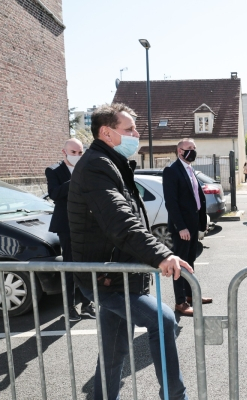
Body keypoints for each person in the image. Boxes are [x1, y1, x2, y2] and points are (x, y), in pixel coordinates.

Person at [68, 103, 192, 400]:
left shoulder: (111, 163)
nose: (136, 134)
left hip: (116, 275)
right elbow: (120, 220)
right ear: (107, 133)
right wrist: (161, 255)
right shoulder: (97, 165)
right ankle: (177, 397)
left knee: (113, 351)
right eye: (129, 130)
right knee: (163, 320)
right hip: (107, 279)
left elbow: (132, 218)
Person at [45, 138, 96, 322]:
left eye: (80, 152)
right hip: (66, 226)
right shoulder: (54, 170)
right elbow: (55, 194)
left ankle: (87, 304)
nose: (77, 156)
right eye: (73, 152)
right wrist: (74, 179)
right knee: (69, 266)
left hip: (87, 225)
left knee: (87, 266)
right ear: (64, 151)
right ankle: (69, 308)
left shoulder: (86, 169)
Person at [163, 138, 212, 317]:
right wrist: (181, 227)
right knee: (180, 265)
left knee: (190, 262)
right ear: (179, 151)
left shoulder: (190, 169)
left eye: (194, 148)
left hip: (192, 225)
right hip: (182, 227)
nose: (192, 150)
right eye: (189, 148)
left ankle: (190, 295)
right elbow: (171, 202)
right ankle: (180, 302)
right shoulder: (171, 171)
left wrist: (201, 223)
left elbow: (197, 198)